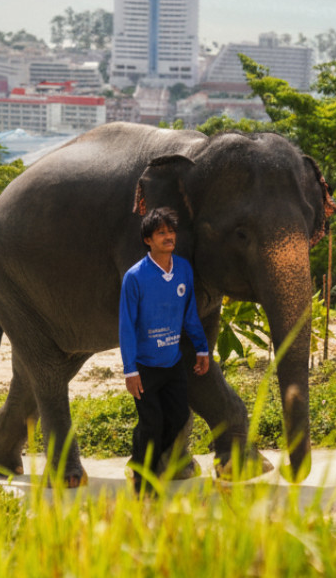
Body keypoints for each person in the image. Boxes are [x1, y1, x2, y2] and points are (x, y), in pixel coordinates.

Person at [119, 206, 210, 494]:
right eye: (162, 233)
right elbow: (126, 326)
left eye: (171, 231)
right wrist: (130, 370)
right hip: (145, 366)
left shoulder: (183, 268)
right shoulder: (135, 277)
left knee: (178, 418)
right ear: (148, 240)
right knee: (151, 424)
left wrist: (202, 349)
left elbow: (190, 313)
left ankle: (138, 464)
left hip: (173, 363)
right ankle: (143, 487)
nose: (169, 237)